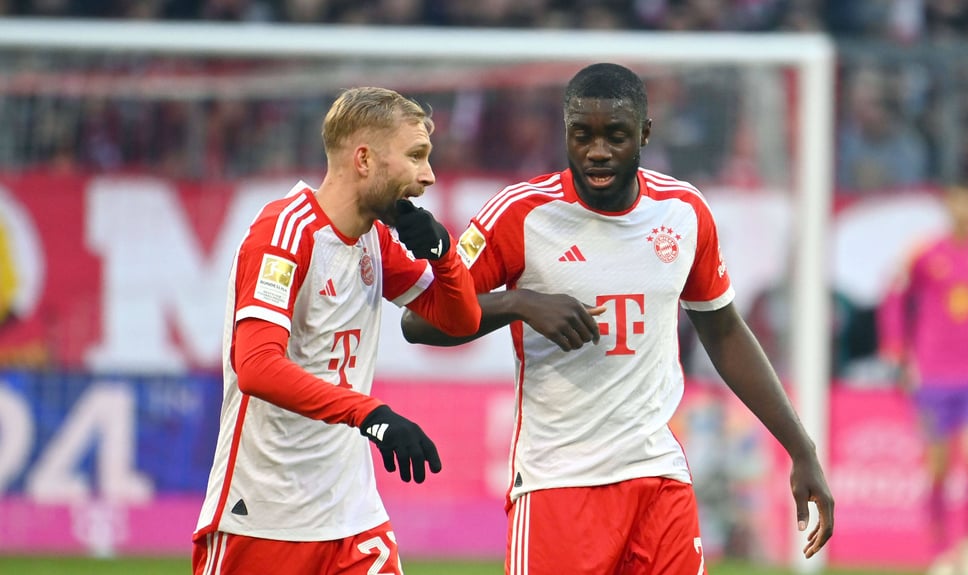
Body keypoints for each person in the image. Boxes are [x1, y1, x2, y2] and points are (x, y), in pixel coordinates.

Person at [402, 63, 834, 574]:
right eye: (582, 135)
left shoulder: (683, 212)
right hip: (559, 483)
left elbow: (723, 330)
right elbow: (420, 319)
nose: (597, 151)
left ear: (645, 134)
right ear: (565, 133)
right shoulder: (521, 214)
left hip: (658, 479)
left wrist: (801, 449)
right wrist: (519, 303)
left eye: (616, 136)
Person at [192, 86, 482, 575]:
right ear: (364, 159)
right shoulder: (285, 232)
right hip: (265, 517)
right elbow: (257, 367)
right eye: (415, 157)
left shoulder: (374, 240)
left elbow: (460, 321)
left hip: (353, 518)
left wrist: (444, 254)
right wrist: (370, 414)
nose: (428, 176)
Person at [878, 185, 968, 575]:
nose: (963, 210)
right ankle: (942, 554)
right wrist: (896, 346)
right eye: (956, 202)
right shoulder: (923, 251)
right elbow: (894, 296)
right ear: (948, 207)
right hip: (932, 376)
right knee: (938, 468)